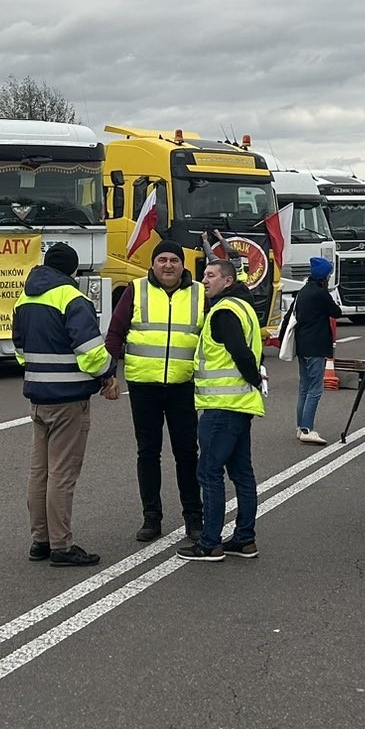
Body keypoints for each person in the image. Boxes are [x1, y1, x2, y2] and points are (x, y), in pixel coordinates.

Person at [12, 242, 118, 568]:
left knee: (39, 472)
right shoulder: (73, 298)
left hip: (38, 395)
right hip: (69, 399)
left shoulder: (25, 297)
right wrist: (108, 375)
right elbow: (90, 350)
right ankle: (62, 545)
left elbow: (18, 348)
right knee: (62, 475)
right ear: (73, 270)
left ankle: (39, 540)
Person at [104, 239, 206, 542]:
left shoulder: (200, 293)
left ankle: (194, 518)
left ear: (183, 264)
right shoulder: (137, 290)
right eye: (162, 260)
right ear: (153, 264)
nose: (168, 265)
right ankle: (151, 518)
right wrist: (108, 374)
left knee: (187, 453)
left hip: (184, 385)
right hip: (144, 385)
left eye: (174, 260)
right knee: (148, 452)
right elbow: (115, 333)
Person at [177, 257, 266, 562]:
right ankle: (244, 539)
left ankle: (210, 542)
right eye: (205, 274)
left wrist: (253, 375)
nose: (205, 280)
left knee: (209, 472)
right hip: (240, 404)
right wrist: (254, 379)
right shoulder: (244, 308)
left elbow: (241, 352)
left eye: (212, 275)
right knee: (242, 473)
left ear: (228, 281)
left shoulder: (224, 311)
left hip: (222, 406)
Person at [289, 256, 342, 446]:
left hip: (303, 344)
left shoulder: (303, 291)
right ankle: (307, 429)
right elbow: (336, 312)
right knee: (315, 389)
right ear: (324, 277)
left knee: (304, 386)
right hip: (316, 345)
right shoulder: (320, 294)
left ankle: (300, 426)